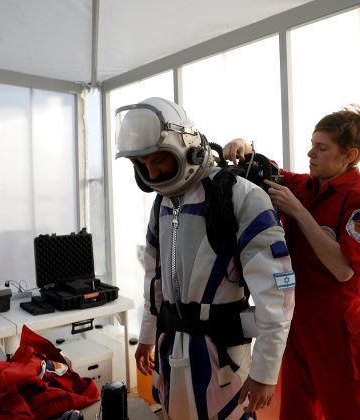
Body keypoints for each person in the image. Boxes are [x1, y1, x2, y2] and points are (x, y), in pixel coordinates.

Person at [115, 97, 295, 419]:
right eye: (142, 165)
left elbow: (277, 293)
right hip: (172, 348)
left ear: (187, 148)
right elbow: (153, 279)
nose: (152, 172)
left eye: (159, 160)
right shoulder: (162, 205)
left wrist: (266, 372)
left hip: (223, 355)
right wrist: (146, 337)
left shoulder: (240, 195)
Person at [223, 104, 360, 420]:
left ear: (349, 155)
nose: (310, 153)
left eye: (321, 147)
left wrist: (299, 212)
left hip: (340, 333)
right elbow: (266, 170)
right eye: (312, 144)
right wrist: (244, 148)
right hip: (297, 325)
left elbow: (343, 268)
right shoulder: (303, 187)